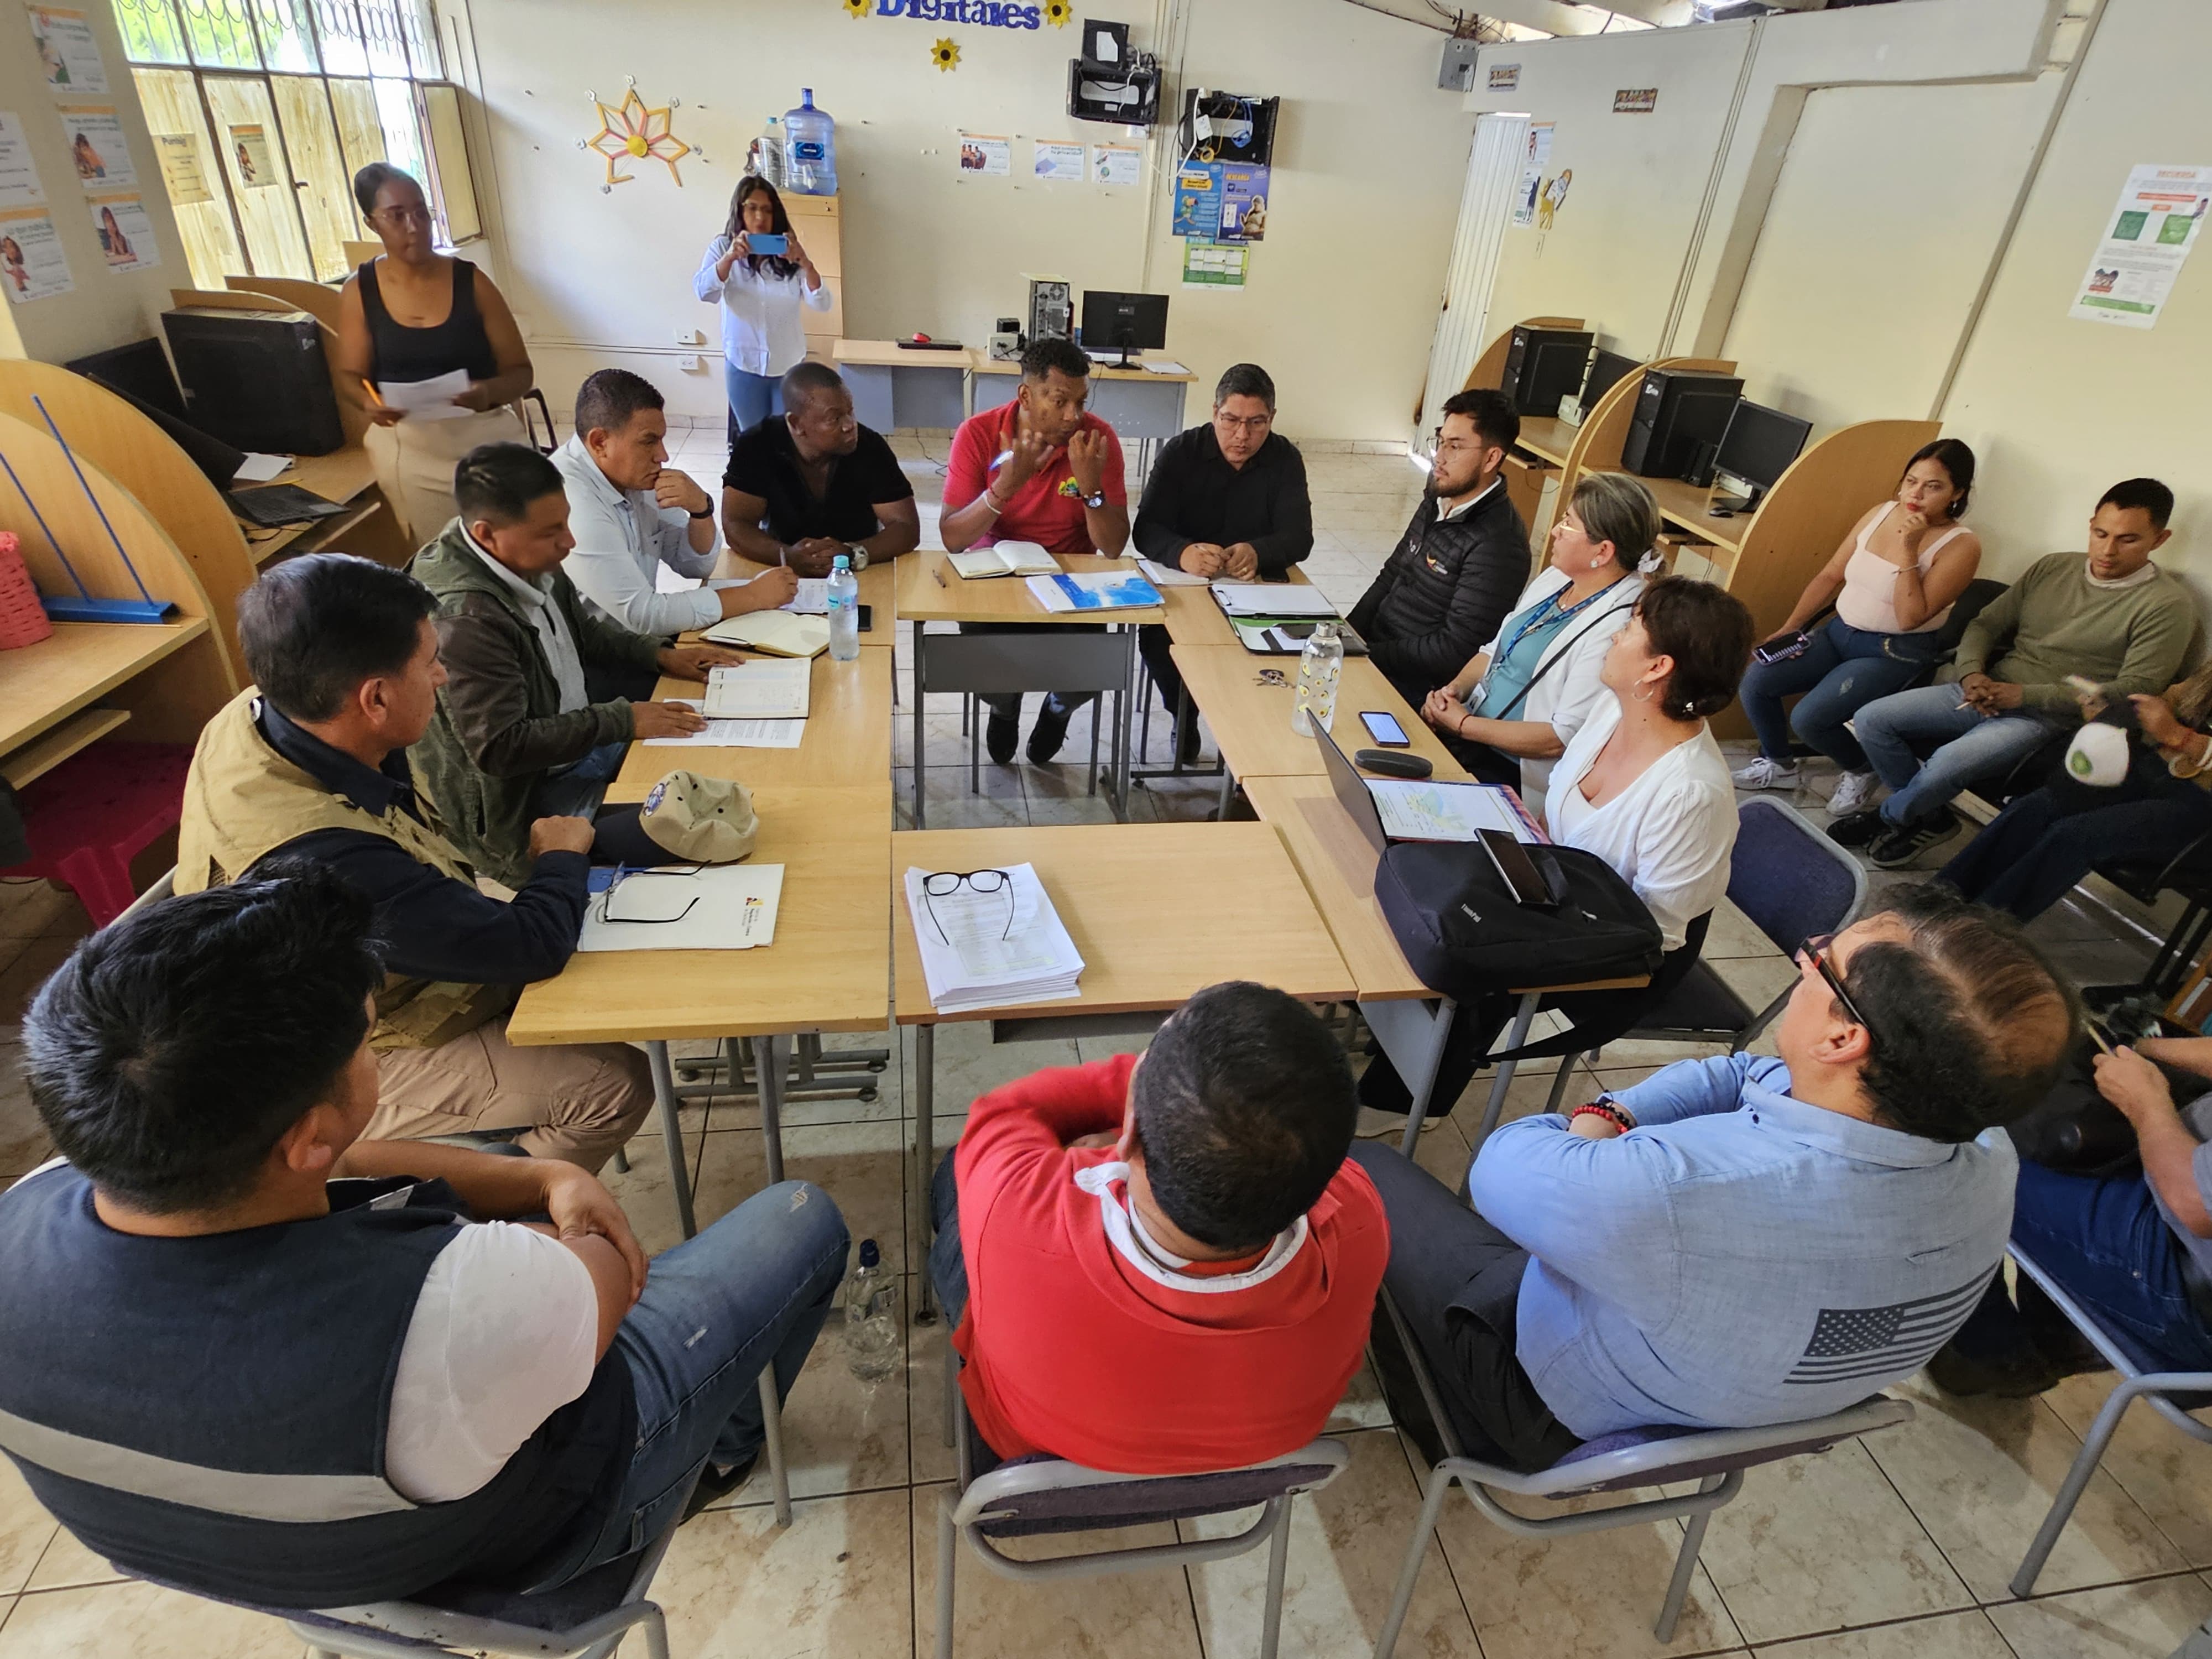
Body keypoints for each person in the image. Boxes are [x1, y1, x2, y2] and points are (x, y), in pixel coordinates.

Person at [0, 869, 848, 1608]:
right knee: (801, 1218)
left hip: (236, 1557)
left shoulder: (41, 1203)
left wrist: (537, 1176)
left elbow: (342, 1158)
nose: (376, 1051)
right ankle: (715, 1457)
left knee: (487, 1176)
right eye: (368, 1040)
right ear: (306, 1135)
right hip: (521, 1542)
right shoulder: (442, 1311)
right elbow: (609, 1278)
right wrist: (546, 1220)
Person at [1352, 886, 2077, 1470]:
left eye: (1823, 962)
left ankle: (1445, 1416)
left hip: (1544, 1399)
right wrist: (1614, 1111)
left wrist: (1591, 1134)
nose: (1804, 957)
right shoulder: (1988, 1152)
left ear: (1842, 1038)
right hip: (1735, 1408)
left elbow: (1502, 1167)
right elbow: (1741, 1073)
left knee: (1367, 1167)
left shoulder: (1673, 1194)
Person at [175, 552, 653, 1171]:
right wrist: (559, 857)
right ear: (375, 698)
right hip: (320, 1063)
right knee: (611, 1083)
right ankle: (493, 1207)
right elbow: (529, 946)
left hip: (351, 983)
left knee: (588, 962)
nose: (443, 678)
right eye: (430, 664)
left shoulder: (266, 712)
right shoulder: (325, 861)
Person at [928, 982, 1388, 1472]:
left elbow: (1005, 1112)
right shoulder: (1360, 1220)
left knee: (956, 1174)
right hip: (1246, 1470)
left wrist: (1164, 1089)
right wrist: (1189, 1101)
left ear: (1127, 1133)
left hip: (1033, 1449)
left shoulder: (1015, 1205)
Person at [1359, 577, 1752, 1129]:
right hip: (1551, 887)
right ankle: (1387, 1037)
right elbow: (1553, 814)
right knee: (1422, 886)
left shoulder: (1692, 792)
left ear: (1657, 668)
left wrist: (1528, 921)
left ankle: (1405, 1102)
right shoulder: (1613, 711)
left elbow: (1655, 932)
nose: (1615, 636)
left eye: (1630, 627)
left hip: (1622, 949)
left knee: (1475, 960)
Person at [410, 443, 740, 888]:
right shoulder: (465, 620)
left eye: (566, 522)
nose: (569, 542)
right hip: (525, 802)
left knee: (715, 783)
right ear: (487, 535)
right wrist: (622, 719)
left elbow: (584, 633)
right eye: (552, 531)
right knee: (692, 839)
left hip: (575, 746)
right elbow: (501, 747)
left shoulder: (521, 551)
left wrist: (660, 654)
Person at [1833, 478, 2192, 870]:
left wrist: (2025, 695)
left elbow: (2136, 689)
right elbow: (1986, 624)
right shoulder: (2055, 567)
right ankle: (1928, 817)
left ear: (2160, 540)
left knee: (1948, 763)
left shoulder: (2167, 605)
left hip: (2047, 716)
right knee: (1871, 719)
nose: (2107, 551)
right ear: (2090, 525)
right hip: (1985, 690)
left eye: (2128, 540)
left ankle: (1890, 817)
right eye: (2101, 534)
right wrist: (1971, 673)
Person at [1934, 1037, 2212, 1396]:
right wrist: (2139, 1047)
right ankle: (2056, 1338)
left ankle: (1989, 1353)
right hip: (2177, 1183)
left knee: (1966, 1130)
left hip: (2182, 1264)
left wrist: (2147, 1103)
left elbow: (2195, 1201)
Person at [1733, 440, 1984, 816]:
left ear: (1957, 494)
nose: (1915, 495)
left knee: (1809, 720)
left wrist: (1909, 549)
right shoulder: (1879, 513)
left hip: (1891, 651)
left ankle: (1862, 769)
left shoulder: (1962, 546)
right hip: (1840, 631)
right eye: (1911, 481)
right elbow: (1831, 574)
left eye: (1933, 487)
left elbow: (1910, 617)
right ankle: (1780, 764)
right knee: (1756, 681)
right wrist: (1791, 627)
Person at [941, 336, 1129, 765]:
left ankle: (1057, 710)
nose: (1073, 415)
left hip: (1070, 582)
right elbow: (953, 538)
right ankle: (1005, 708)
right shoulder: (979, 433)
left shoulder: (1097, 439)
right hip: (996, 575)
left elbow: (1113, 547)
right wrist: (1004, 487)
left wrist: (1091, 489)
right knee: (990, 668)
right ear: (1026, 395)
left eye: (1080, 402)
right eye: (1060, 401)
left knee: (1090, 669)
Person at [1418, 472, 1654, 810]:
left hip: (1512, 770)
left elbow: (1560, 738)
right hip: (1467, 731)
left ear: (1602, 552)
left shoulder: (1617, 627)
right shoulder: (1559, 577)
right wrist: (1452, 693)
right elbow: (1494, 651)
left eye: (1568, 524)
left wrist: (1463, 725)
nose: (1555, 531)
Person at [336, 163, 534, 544]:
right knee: (444, 560)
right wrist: (368, 401)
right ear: (371, 223)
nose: (414, 226)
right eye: (397, 216)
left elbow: (521, 373)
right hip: (412, 449)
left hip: (485, 439)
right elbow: (349, 376)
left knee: (520, 549)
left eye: (421, 212)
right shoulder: (359, 291)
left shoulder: (472, 281)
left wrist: (488, 392)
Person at [1131, 362, 1313, 763]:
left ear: (1272, 419)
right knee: (1157, 640)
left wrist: (1259, 551)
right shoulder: (1181, 452)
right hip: (1187, 584)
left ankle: (1246, 729)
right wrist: (1182, 552)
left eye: (1256, 423)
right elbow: (1146, 529)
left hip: (1254, 590)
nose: (1242, 436)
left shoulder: (1285, 459)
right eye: (1231, 420)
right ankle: (1184, 713)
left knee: (1272, 651)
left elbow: (1300, 537)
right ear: (1215, 412)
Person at [1938, 666, 2212, 921]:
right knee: (2039, 806)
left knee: (2075, 835)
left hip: (2202, 808)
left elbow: (2175, 733)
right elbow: (2172, 701)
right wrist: (2112, 717)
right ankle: (1937, 902)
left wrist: (2183, 738)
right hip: (2163, 772)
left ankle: (1977, 931)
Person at [553, 368, 797, 635]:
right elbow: (644, 615)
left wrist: (701, 510)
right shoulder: (571, 503)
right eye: (649, 441)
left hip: (633, 643)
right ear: (600, 442)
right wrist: (752, 596)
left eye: (661, 440)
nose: (663, 456)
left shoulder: (631, 477)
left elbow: (695, 566)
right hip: (598, 653)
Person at [1348, 389, 1531, 712]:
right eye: (1441, 441)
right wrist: (1345, 634)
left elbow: (1453, 649)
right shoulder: (1439, 496)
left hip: (1413, 688)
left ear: (1491, 459)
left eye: (1455, 447)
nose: (1439, 458)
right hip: (1376, 655)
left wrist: (1366, 654)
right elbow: (1391, 574)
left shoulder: (1499, 545)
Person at [721, 361, 919, 577]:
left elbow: (906, 527)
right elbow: (736, 523)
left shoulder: (870, 446)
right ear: (796, 424)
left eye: (850, 412)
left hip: (859, 570)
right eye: (834, 418)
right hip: (778, 569)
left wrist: (852, 553)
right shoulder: (757, 444)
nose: (850, 425)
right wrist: (785, 555)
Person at [693, 176, 831, 433]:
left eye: (767, 210)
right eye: (752, 208)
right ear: (739, 210)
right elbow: (704, 292)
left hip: (788, 366)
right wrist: (730, 258)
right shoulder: (722, 247)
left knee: (789, 438)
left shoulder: (789, 251)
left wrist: (805, 263)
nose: (760, 217)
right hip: (743, 365)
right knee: (753, 440)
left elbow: (822, 303)